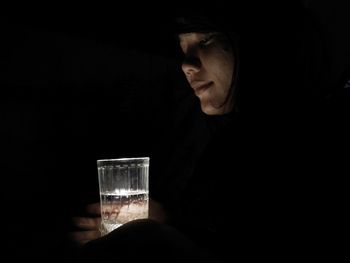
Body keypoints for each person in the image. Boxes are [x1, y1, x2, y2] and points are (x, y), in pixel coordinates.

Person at [68, 3, 344, 262]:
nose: (187, 64)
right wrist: (165, 224)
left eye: (205, 41)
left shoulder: (307, 142)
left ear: (258, 41)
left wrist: (157, 239)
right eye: (182, 47)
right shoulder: (231, 141)